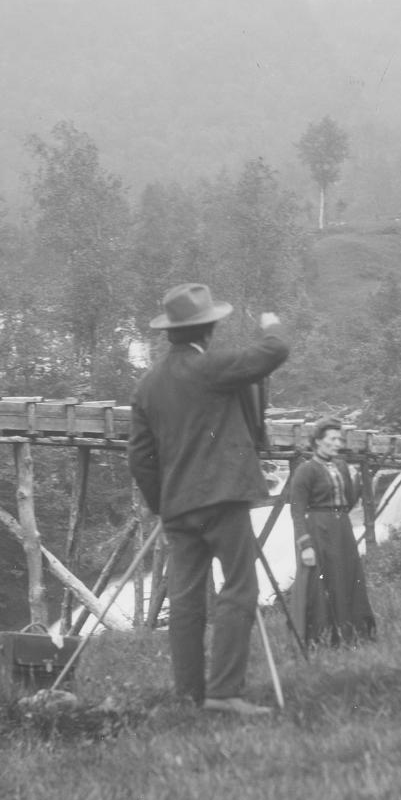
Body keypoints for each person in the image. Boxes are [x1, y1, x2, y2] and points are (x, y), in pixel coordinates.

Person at [128, 282, 288, 716]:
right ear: (207, 331)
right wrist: (272, 325)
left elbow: (140, 457)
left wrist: (164, 504)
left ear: (171, 333)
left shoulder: (147, 386)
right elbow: (272, 353)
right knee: (239, 588)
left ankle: (187, 697)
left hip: (178, 508)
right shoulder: (212, 368)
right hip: (225, 498)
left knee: (184, 600)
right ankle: (223, 693)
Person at [288, 420, 377, 647]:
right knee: (323, 581)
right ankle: (323, 638)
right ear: (318, 441)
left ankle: (352, 634)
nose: (337, 444)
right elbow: (297, 511)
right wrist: (305, 544)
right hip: (320, 528)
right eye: (332, 439)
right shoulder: (305, 470)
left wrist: (358, 479)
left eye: (340, 440)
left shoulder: (342, 466)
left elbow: (349, 501)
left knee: (347, 575)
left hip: (342, 528)